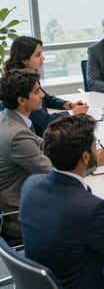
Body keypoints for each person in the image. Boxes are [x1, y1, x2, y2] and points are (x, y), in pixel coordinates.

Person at [19, 114, 104, 289]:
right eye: (94, 145)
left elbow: (67, 211)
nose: (96, 149)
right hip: (86, 282)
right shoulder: (90, 208)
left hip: (61, 273)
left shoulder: (30, 184)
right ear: (85, 157)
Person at [0, 69, 52, 239]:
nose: (43, 95)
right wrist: (90, 161)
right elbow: (53, 173)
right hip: (20, 215)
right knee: (87, 210)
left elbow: (40, 144)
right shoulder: (16, 135)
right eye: (37, 92)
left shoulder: (8, 118)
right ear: (22, 100)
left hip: (25, 195)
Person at [3, 36, 89, 137]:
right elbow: (44, 122)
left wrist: (69, 104)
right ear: (24, 60)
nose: (43, 58)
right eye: (38, 55)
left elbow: (46, 98)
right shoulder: (20, 84)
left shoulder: (28, 76)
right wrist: (72, 113)